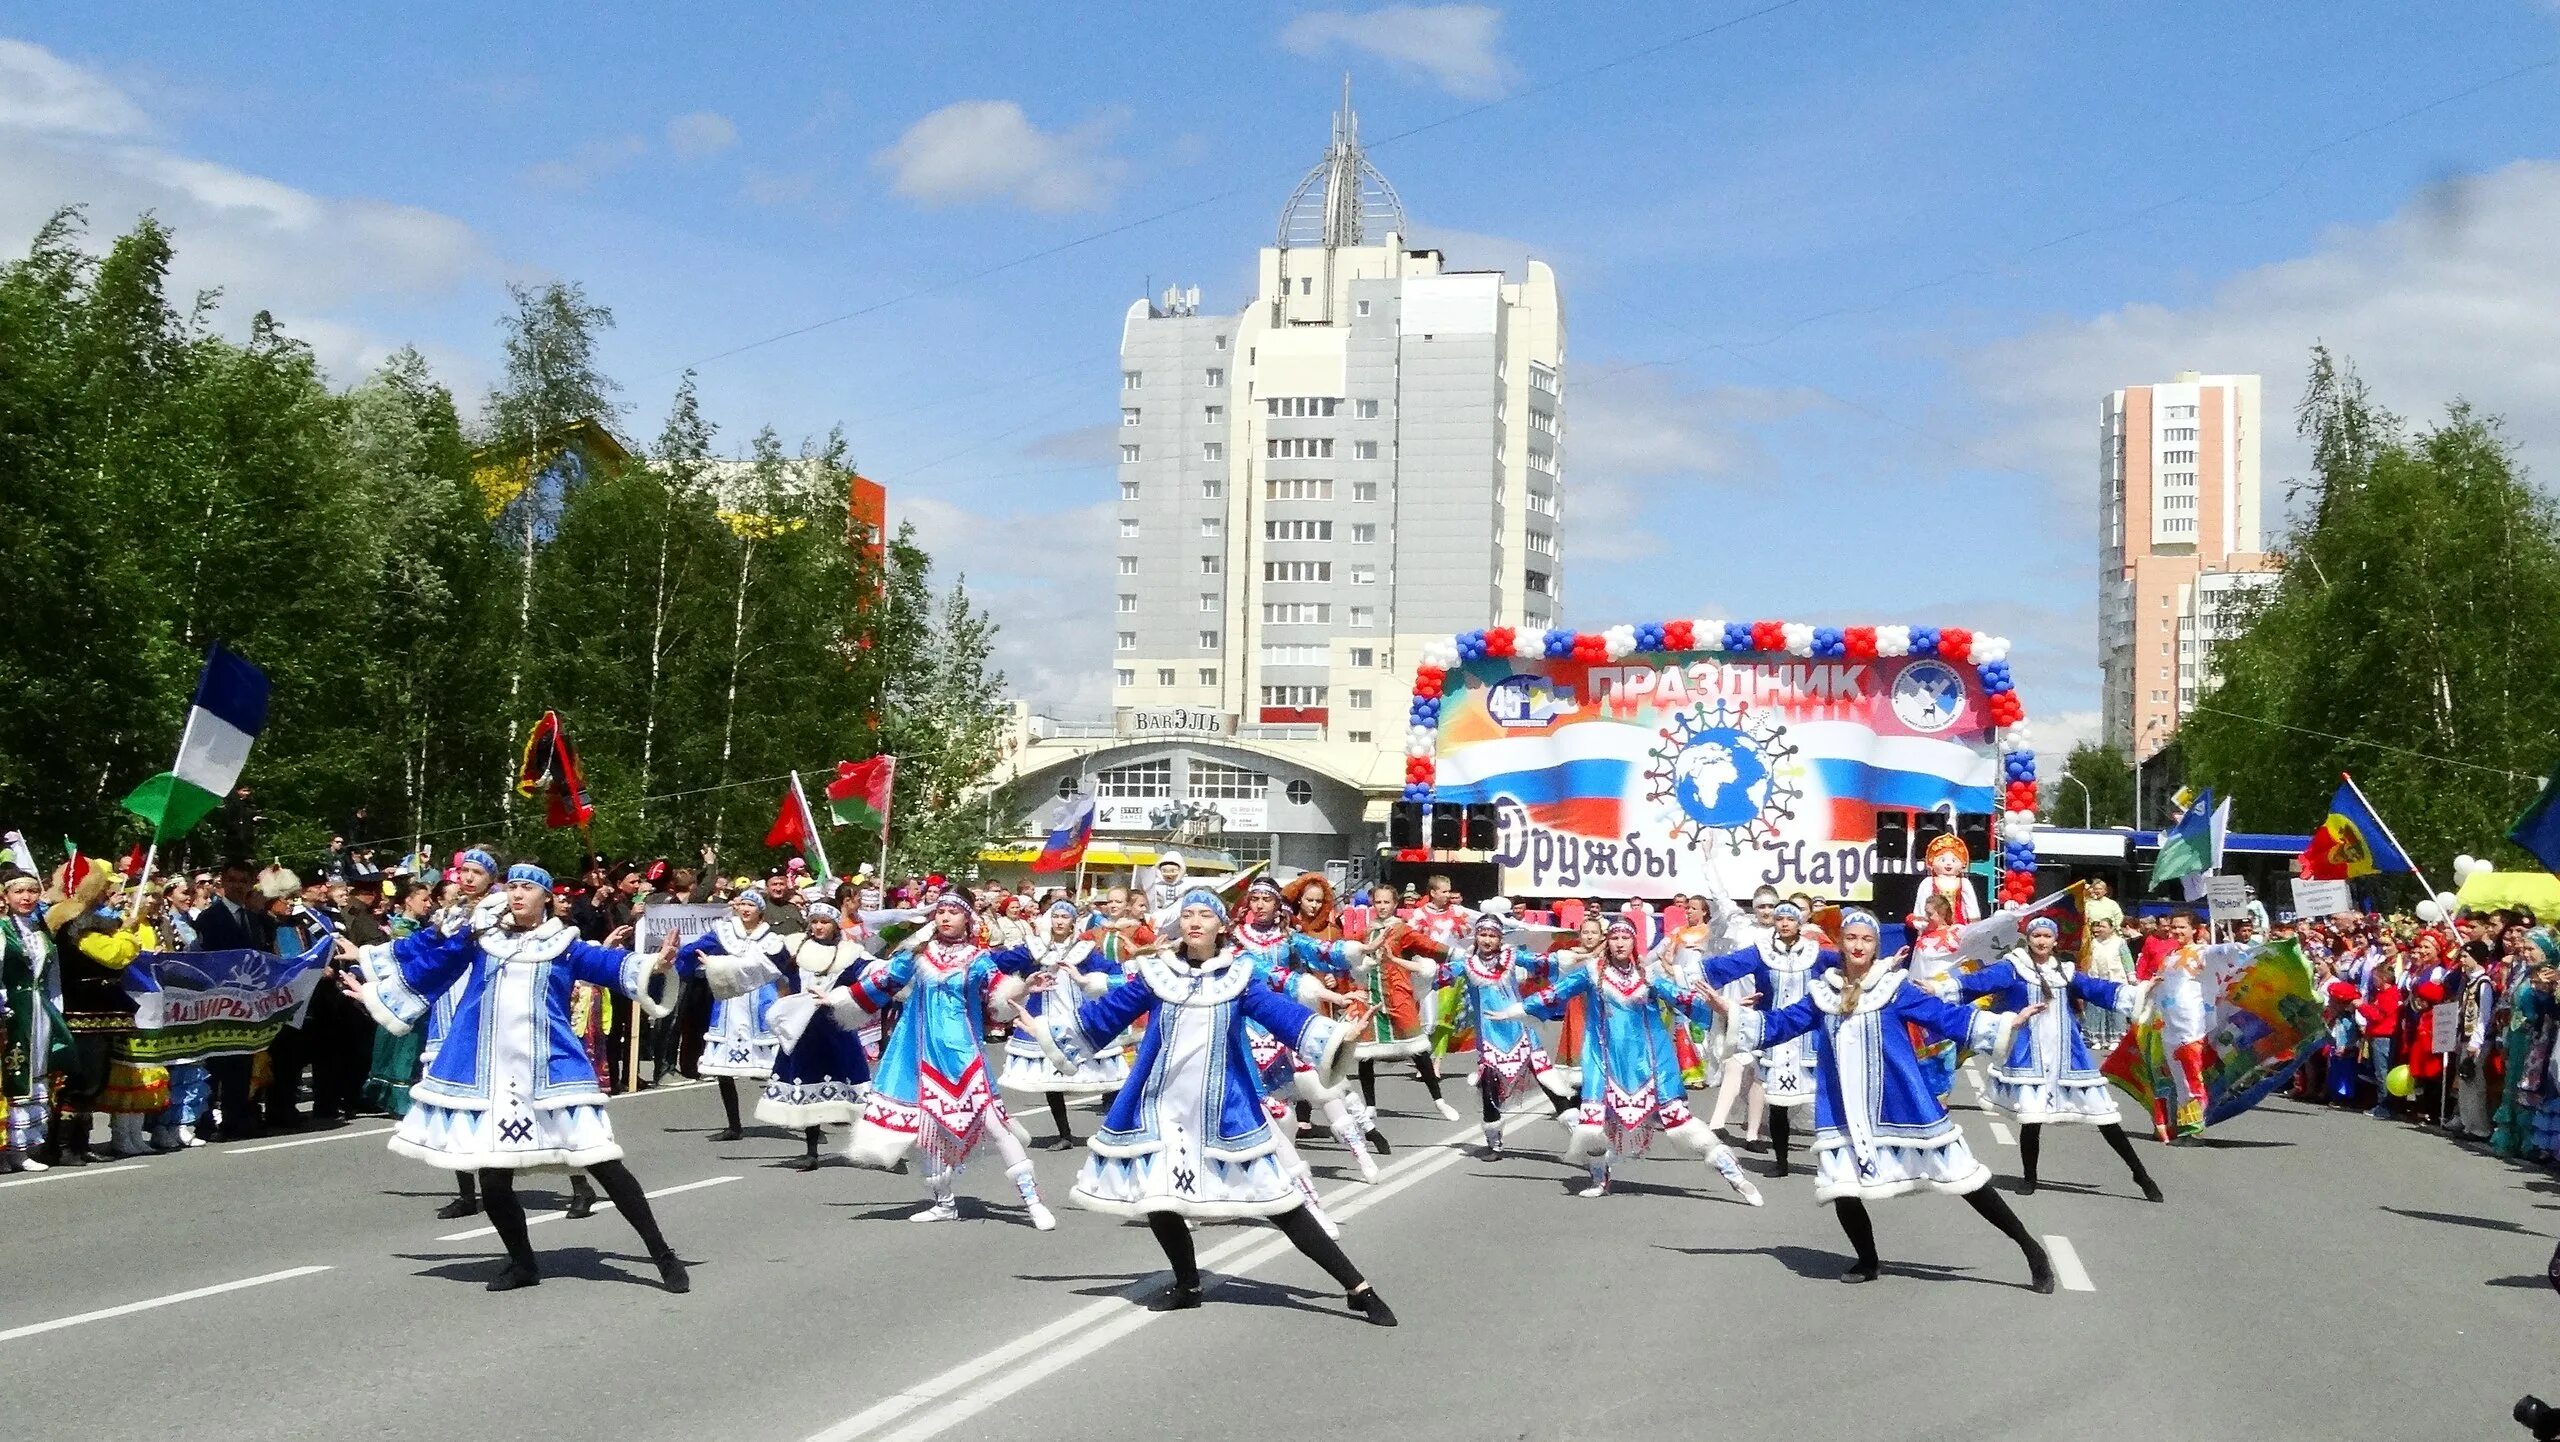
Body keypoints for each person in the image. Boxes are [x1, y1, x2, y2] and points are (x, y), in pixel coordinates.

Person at [1020, 888, 1396, 1324]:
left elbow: (1282, 1016)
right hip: (1160, 1106)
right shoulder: (1156, 973)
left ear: (1222, 925)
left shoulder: (1238, 976)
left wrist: (1338, 1036)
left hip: (1224, 1111)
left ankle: (1357, 1287)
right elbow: (1106, 1015)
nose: (1194, 921)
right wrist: (1045, 1029)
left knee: (1279, 1202)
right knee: (1159, 1196)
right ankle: (1187, 1283)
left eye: (1205, 915)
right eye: (1187, 914)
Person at [342, 863, 687, 1292]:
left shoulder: (564, 945)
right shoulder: (483, 941)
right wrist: (376, 992)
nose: (518, 894)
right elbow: (435, 965)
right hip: (489, 1076)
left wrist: (655, 963)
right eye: (514, 887)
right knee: (492, 1177)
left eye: (528, 888)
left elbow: (609, 964)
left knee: (603, 1162)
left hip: (551, 1071)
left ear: (547, 898)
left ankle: (662, 1256)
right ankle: (523, 1263)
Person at [1716, 909, 2056, 1291]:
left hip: (1903, 1105)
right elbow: (1779, 1025)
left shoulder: (1894, 988)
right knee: (1843, 1185)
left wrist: (2007, 1022)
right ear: (1840, 943)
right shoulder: (1822, 993)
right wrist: (1728, 1013)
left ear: (1876, 946)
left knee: (1963, 1177)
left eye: (1866, 939)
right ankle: (1868, 1258)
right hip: (1844, 1108)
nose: (1858, 945)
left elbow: (1947, 1018)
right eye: (1851, 938)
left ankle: (2030, 1249)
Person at [840, 895, 1051, 1227]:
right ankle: (944, 1203)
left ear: (967, 919)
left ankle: (1033, 1202)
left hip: (964, 1054)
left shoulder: (978, 959)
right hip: (922, 1056)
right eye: (940, 911)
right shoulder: (917, 954)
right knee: (929, 1132)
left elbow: (999, 998)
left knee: (996, 1125)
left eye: (953, 912)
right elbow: (883, 982)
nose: (945, 917)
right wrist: (839, 999)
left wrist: (1025, 985)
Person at [1522, 915, 1763, 1204]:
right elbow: (1554, 994)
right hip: (1608, 1068)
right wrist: (1518, 1010)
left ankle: (1735, 1176)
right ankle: (1600, 1179)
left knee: (1682, 1125)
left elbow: (1684, 1000)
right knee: (1592, 1125)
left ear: (1634, 942)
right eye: (1614, 938)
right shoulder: (1591, 974)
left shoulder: (1648, 978)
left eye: (1626, 938)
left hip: (1650, 1070)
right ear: (1607, 942)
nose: (1620, 943)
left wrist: (1727, 1008)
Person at [1958, 917, 2162, 1202]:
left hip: (2069, 1056)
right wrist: (1938, 986)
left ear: (2055, 941)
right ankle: (2029, 1177)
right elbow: (1977, 982)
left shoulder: (2065, 972)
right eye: (2036, 935)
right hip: (2031, 1054)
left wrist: (2139, 990)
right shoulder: (2013, 968)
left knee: (2104, 1115)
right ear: (2028, 938)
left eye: (2046, 936)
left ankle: (2141, 1175)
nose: (2041, 941)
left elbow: (2098, 989)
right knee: (2031, 1118)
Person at [1696, 899, 1837, 1178]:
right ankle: (1781, 1162)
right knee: (1777, 1103)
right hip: (1772, 1035)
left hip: (1809, 1037)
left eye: (1790, 919)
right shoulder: (1761, 952)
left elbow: (1848, 963)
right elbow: (1725, 966)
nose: (1784, 923)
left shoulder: (1815, 953)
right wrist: (1680, 975)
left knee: (1824, 1099)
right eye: (1780, 918)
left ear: (1799, 923)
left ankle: (1832, 1163)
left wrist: (1883, 964)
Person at [1437, 910, 1572, 1157]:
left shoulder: (1511, 957)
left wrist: (1581, 955)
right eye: (1482, 934)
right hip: (1490, 1039)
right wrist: (1400, 963)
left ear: (1501, 939)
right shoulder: (1467, 965)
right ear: (1476, 937)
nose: (1487, 940)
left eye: (1492, 935)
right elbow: (1437, 976)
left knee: (1550, 1083)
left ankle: (1579, 1137)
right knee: (1489, 1087)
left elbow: (1544, 962)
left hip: (1522, 1034)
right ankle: (1494, 1143)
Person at [997, 899, 1126, 1147]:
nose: (1058, 921)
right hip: (1045, 1017)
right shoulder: (1036, 948)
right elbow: (1001, 961)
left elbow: (1112, 971)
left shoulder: (1084, 950)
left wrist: (1087, 980)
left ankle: (1115, 1128)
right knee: (1051, 1077)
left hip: (1078, 1017)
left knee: (1106, 1073)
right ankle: (1064, 1133)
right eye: (1055, 916)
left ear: (1073, 922)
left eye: (1064, 917)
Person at [757, 901, 875, 1171]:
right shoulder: (794, 947)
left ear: (835, 924)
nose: (819, 926)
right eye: (815, 921)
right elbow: (758, 965)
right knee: (807, 1086)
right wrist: (723, 967)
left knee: (853, 1090)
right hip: (803, 1030)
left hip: (837, 1029)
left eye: (825, 921)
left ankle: (870, 1144)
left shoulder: (850, 954)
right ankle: (811, 1152)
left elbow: (876, 976)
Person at [672, 890, 788, 1142]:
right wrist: (672, 959)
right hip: (729, 1005)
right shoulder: (724, 932)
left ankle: (805, 1120)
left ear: (760, 911)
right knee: (723, 1067)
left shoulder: (771, 939)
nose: (745, 909)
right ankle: (734, 1126)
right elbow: (695, 950)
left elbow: (787, 966)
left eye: (751, 905)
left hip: (761, 1005)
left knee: (781, 1065)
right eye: (743, 904)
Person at [1, 868, 65, 1171]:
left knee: (38, 1069)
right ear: (5, 896)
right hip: (13, 1009)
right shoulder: (2, 930)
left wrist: (56, 1007)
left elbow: (52, 974)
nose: (26, 897)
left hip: (39, 1008)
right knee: (16, 1073)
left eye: (31, 891)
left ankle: (29, 1144)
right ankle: (12, 1148)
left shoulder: (40, 930)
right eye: (18, 892)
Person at [2078, 913, 2134, 1056]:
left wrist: (2131, 976)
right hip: (2096, 978)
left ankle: (2115, 1039)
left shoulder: (2119, 942)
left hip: (2115, 979)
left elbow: (2127, 960)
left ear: (2111, 928)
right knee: (2096, 1009)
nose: (2100, 929)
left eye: (2103, 926)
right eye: (2098, 926)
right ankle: (2096, 1038)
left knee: (2114, 1009)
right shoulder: (2093, 942)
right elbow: (2086, 960)